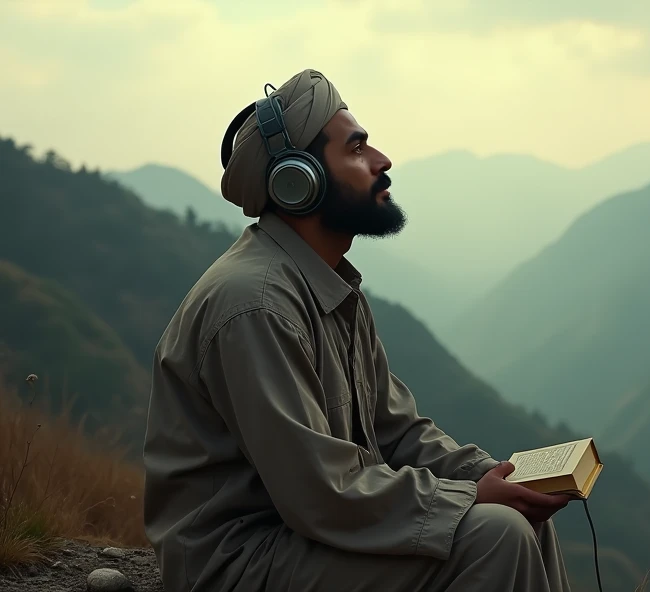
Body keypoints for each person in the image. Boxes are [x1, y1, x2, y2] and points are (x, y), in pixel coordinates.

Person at [142, 68, 573, 592]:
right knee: (495, 535)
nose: (382, 161)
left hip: (301, 540)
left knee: (521, 518)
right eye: (357, 148)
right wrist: (470, 500)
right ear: (299, 181)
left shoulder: (328, 287)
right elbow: (318, 491)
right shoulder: (254, 306)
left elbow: (396, 432)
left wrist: (495, 476)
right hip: (237, 563)